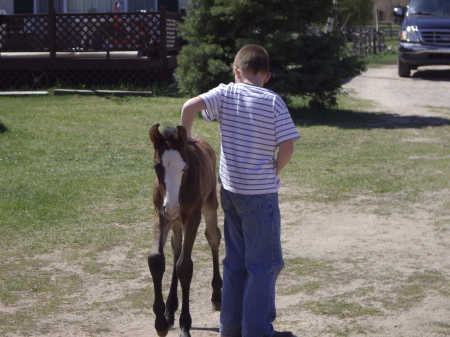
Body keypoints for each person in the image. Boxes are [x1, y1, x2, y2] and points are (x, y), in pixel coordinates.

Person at [181, 45, 300, 337]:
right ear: (267, 76)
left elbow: (189, 107)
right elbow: (287, 146)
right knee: (265, 263)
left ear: (237, 71)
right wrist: (274, 171)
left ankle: (230, 328)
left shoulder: (225, 93)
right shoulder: (273, 102)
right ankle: (257, 331)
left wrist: (187, 139)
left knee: (235, 260)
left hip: (231, 191)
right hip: (260, 196)